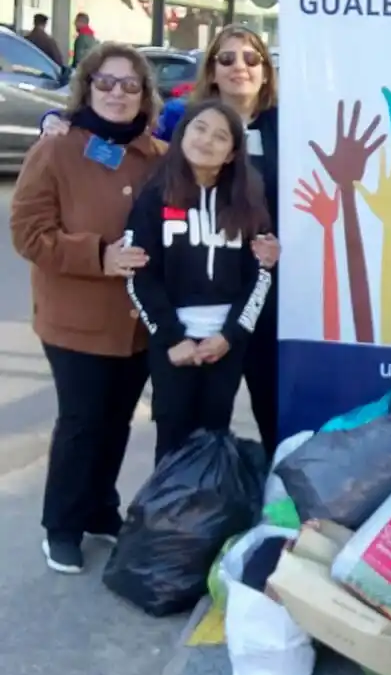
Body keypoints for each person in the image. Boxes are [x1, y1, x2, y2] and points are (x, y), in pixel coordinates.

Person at [41, 25, 282, 458]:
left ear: (266, 70)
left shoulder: (287, 125)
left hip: (256, 291)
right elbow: (119, 130)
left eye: (250, 59)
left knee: (260, 412)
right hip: (178, 309)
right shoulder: (176, 120)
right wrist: (56, 121)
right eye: (226, 58)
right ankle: (163, 519)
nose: (239, 68)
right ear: (211, 69)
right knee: (170, 432)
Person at [10, 43, 165, 574]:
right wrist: (100, 255)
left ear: (145, 94)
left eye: (130, 85)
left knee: (117, 420)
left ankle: (101, 507)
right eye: (106, 83)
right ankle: (62, 524)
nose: (118, 94)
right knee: (82, 420)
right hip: (74, 318)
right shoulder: (56, 150)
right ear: (87, 87)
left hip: (136, 322)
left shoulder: (157, 157)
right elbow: (29, 234)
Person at [125, 99, 272, 463]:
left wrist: (230, 337)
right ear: (182, 134)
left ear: (231, 153)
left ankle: (208, 516)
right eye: (200, 129)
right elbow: (139, 274)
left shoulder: (247, 202)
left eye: (220, 136)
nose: (207, 140)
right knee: (173, 437)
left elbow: (259, 277)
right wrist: (172, 338)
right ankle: (167, 517)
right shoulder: (154, 197)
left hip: (225, 344)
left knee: (213, 436)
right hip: (173, 344)